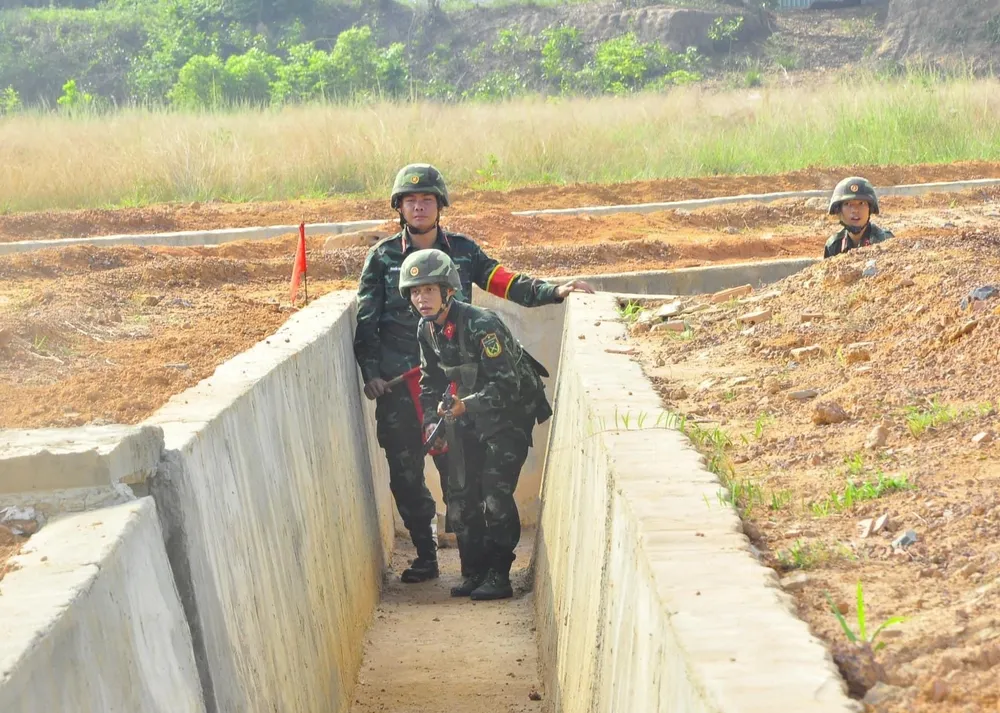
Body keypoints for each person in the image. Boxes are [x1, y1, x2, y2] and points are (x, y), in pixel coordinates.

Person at [353, 163, 593, 585]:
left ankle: (480, 569)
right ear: (399, 208)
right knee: (405, 474)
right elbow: (367, 321)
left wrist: (554, 291)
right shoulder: (383, 257)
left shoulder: (463, 251)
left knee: (460, 480)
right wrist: (370, 371)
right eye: (411, 201)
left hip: (460, 387)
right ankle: (426, 554)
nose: (419, 206)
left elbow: (503, 281)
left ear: (440, 205)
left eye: (427, 199)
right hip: (400, 385)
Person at [400, 248, 552, 601]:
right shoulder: (427, 329)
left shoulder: (482, 325)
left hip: (508, 415)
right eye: (415, 291)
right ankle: (475, 571)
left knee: (494, 492)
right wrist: (431, 421)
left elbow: (506, 387)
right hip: (466, 415)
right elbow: (428, 381)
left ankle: (500, 575)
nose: (422, 299)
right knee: (461, 493)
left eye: (429, 290)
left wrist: (464, 406)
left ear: (448, 291)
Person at [823, 177, 894, 259]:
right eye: (848, 204)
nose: (855, 210)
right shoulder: (834, 245)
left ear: (870, 209)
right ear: (839, 210)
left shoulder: (885, 241)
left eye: (861, 203)